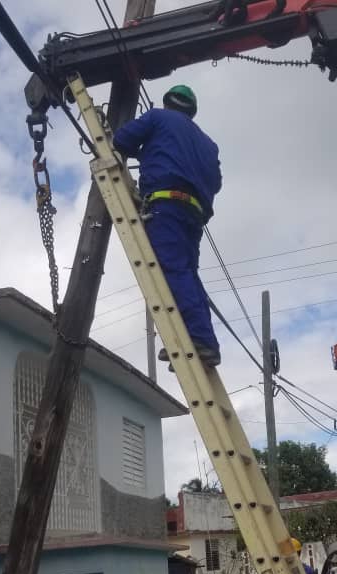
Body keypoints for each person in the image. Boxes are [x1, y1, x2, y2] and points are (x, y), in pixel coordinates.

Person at [113, 84, 223, 367]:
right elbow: (216, 183)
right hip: (194, 214)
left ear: (168, 102)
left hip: (166, 205)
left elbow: (122, 140)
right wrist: (153, 152)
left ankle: (198, 340)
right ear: (191, 111)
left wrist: (145, 150)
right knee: (188, 274)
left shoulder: (157, 117)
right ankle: (198, 340)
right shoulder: (208, 145)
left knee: (173, 270)